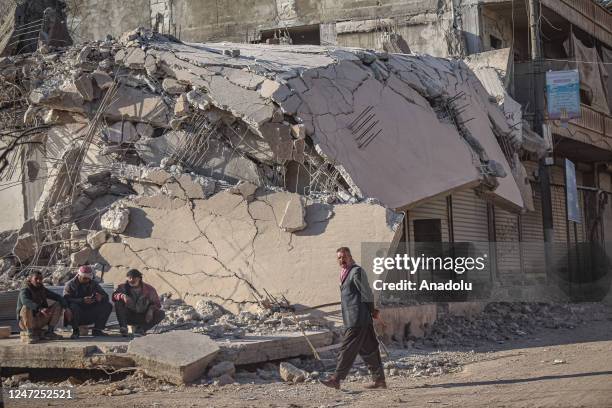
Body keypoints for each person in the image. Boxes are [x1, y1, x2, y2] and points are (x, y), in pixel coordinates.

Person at [320, 247, 386, 390]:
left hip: (357, 320)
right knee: (370, 350)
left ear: (350, 257)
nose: (342, 260)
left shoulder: (356, 271)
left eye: (344, 257)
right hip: (358, 319)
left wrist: (373, 311)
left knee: (347, 349)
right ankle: (379, 380)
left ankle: (336, 379)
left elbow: (366, 292)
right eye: (339, 258)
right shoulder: (345, 273)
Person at [16, 270, 70, 343]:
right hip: (27, 321)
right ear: (30, 279)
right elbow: (25, 301)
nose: (38, 281)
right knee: (26, 307)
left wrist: (66, 308)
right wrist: (40, 309)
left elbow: (58, 297)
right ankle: (30, 334)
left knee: (58, 304)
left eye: (40, 279)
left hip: (40, 319)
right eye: (36, 279)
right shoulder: (25, 289)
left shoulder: (42, 289)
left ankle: (50, 332)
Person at [63, 265, 112, 339]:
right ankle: (75, 331)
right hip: (75, 314)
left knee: (107, 305)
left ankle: (97, 330)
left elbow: (106, 297)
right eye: (85, 278)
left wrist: (101, 297)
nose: (87, 280)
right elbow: (66, 299)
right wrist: (82, 300)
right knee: (73, 306)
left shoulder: (93, 284)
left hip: (90, 312)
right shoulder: (70, 284)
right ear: (79, 276)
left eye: (88, 278)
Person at [112, 269, 165, 336]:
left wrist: (151, 310)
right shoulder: (122, 287)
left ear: (139, 278)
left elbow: (157, 304)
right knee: (118, 303)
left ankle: (141, 329)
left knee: (161, 313)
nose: (131, 280)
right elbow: (114, 296)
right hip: (128, 316)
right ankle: (124, 328)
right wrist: (122, 296)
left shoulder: (149, 289)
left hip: (144, 316)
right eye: (129, 278)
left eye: (134, 278)